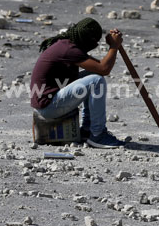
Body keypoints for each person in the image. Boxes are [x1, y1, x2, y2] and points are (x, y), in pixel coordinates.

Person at [30, 18, 125, 148]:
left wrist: (113, 46)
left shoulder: (66, 44)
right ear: (86, 39)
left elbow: (98, 68)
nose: (94, 45)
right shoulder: (68, 50)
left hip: (48, 102)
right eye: (94, 41)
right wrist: (114, 47)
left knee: (93, 75)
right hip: (47, 107)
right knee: (97, 81)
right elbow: (104, 68)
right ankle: (98, 135)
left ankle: (87, 129)